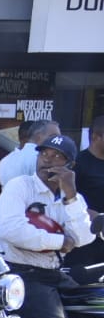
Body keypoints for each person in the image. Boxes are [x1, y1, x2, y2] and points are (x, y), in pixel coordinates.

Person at [0, 134, 94, 318]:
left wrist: (70, 194)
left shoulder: (71, 197)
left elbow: (85, 236)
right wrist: (60, 241)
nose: (47, 160)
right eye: (44, 154)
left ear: (70, 165)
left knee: (90, 313)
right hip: (21, 273)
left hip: (53, 273)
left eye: (57, 156)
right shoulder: (19, 186)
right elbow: (9, 228)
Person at [64, 115, 104, 268]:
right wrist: (96, 217)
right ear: (95, 137)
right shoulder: (78, 164)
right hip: (85, 243)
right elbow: (65, 200)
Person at [0, 118, 60, 186]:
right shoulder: (41, 159)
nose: (58, 141)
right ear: (38, 136)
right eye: (53, 137)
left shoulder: (5, 161)